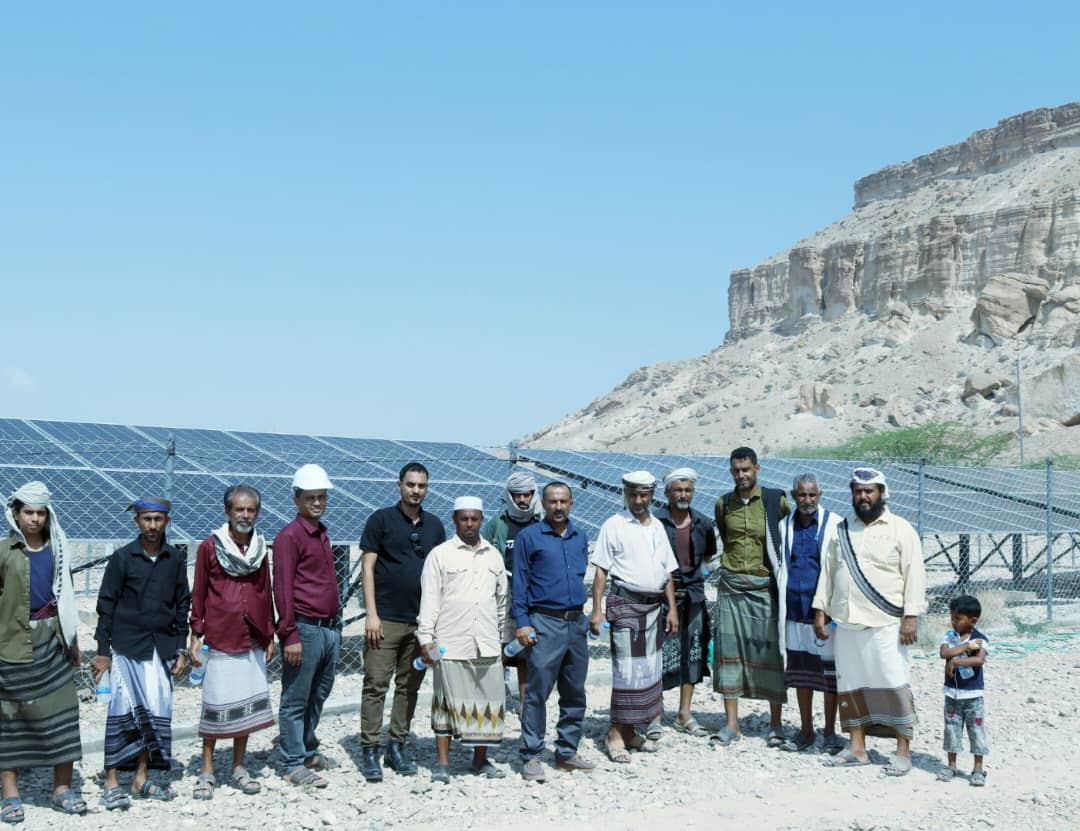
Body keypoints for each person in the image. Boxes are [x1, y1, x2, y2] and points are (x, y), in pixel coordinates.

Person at [813, 467, 926, 776]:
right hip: (847, 623)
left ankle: (902, 751)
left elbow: (915, 574)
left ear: (881, 493)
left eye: (869, 491)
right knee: (851, 685)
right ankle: (857, 747)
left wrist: (911, 616)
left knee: (892, 683)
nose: (863, 497)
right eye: (858, 491)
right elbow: (828, 572)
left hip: (886, 623)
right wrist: (820, 610)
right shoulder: (841, 530)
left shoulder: (901, 529)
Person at [92, 497, 190, 808]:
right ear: (137, 522)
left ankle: (141, 777)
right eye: (146, 519)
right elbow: (106, 605)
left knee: (154, 711)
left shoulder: (175, 559)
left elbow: (182, 604)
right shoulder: (122, 558)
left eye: (158, 520)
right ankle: (111, 781)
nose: (152, 525)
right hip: (127, 647)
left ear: (166, 522)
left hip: (161, 648)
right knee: (121, 711)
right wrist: (103, 651)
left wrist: (181, 648)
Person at [0, 482, 85, 824]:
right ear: (16, 514)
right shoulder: (4, 552)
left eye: (40, 513)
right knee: (10, 720)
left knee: (64, 713)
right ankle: (10, 795)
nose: (34, 519)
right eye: (28, 512)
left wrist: (73, 642)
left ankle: (62, 789)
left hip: (53, 642)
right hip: (10, 646)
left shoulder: (58, 550)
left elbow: (66, 599)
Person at [359, 462, 447, 782]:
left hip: (420, 622)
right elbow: (367, 568)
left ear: (427, 488)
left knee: (409, 687)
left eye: (421, 486)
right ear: (399, 485)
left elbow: (441, 575)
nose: (416, 491)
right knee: (375, 685)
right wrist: (371, 614)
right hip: (385, 620)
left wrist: (434, 626)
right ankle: (370, 748)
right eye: (411, 484)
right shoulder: (380, 520)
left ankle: (397, 745)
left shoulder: (435, 526)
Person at [188, 484, 276, 800]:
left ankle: (239, 766)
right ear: (227, 512)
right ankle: (207, 769)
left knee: (245, 704)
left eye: (251, 510)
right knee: (215, 703)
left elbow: (265, 590)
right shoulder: (210, 547)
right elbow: (199, 591)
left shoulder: (260, 548)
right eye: (239, 509)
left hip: (251, 636)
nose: (245, 515)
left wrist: (269, 632)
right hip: (221, 635)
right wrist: (195, 633)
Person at [417, 497, 508, 783]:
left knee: (487, 703)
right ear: (454, 519)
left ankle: (480, 761)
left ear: (482, 519)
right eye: (464, 518)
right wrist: (426, 639)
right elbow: (430, 600)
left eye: (474, 519)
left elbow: (501, 601)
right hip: (451, 643)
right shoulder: (440, 555)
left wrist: (501, 638)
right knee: (445, 704)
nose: (469, 524)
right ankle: (443, 765)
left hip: (487, 643)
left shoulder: (494, 556)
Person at [590, 471, 679, 763]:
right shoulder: (614, 525)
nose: (638, 500)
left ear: (652, 495)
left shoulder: (658, 527)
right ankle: (615, 733)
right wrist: (597, 610)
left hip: (653, 609)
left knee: (647, 671)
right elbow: (601, 570)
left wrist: (672, 609)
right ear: (625, 494)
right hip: (625, 604)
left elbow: (667, 572)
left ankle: (630, 731)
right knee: (627, 671)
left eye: (643, 495)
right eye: (633, 494)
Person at [513, 481, 595, 781]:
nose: (558, 507)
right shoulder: (529, 537)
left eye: (563, 501)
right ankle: (531, 754)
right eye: (552, 501)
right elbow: (519, 582)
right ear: (543, 504)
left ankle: (566, 752)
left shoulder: (580, 536)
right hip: (544, 622)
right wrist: (522, 621)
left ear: (571, 504)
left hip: (576, 622)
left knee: (574, 691)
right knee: (538, 692)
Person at [711, 447, 790, 748]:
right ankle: (731, 724)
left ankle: (776, 724)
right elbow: (725, 538)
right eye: (736, 470)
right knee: (728, 654)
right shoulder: (723, 504)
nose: (741, 475)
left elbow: (785, 536)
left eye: (746, 469)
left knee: (770, 653)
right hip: (732, 587)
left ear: (757, 468)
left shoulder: (775, 501)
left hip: (763, 588)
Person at [274, 464, 341, 788]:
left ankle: (307, 749)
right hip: (305, 628)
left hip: (328, 629)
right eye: (310, 497)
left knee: (318, 694)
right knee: (296, 697)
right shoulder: (290, 537)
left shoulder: (321, 533)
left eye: (321, 497)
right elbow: (283, 588)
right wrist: (289, 634)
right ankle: (291, 762)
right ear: (296, 500)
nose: (317, 503)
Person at [777, 474, 843, 754]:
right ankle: (806, 730)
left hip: (823, 613)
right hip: (793, 610)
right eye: (802, 495)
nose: (807, 500)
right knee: (801, 674)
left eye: (812, 495)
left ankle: (830, 732)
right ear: (794, 495)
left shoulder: (834, 524)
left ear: (820, 495)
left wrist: (825, 610)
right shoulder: (784, 526)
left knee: (828, 675)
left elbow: (836, 569)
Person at [652, 467, 717, 739]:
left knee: (693, 653)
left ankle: (684, 713)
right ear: (667, 492)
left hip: (694, 595)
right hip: (661, 597)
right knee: (658, 654)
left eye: (688, 490)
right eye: (678, 490)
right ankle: (654, 714)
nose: (683, 495)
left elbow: (708, 555)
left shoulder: (703, 523)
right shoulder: (655, 523)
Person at [481, 471, 541, 707]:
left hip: (533, 594)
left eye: (527, 494)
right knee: (501, 646)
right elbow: (481, 549)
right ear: (509, 496)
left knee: (527, 649)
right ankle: (493, 701)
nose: (523, 500)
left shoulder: (541, 523)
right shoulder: (498, 524)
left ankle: (527, 705)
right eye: (517, 495)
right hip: (503, 593)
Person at [936, 595, 989, 787]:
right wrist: (965, 647)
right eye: (952, 618)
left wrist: (956, 661)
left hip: (973, 696)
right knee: (952, 729)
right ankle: (951, 766)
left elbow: (979, 660)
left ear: (972, 620)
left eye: (958, 618)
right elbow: (944, 653)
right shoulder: (950, 637)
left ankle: (978, 769)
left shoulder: (980, 639)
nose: (953, 622)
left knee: (976, 731)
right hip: (952, 694)